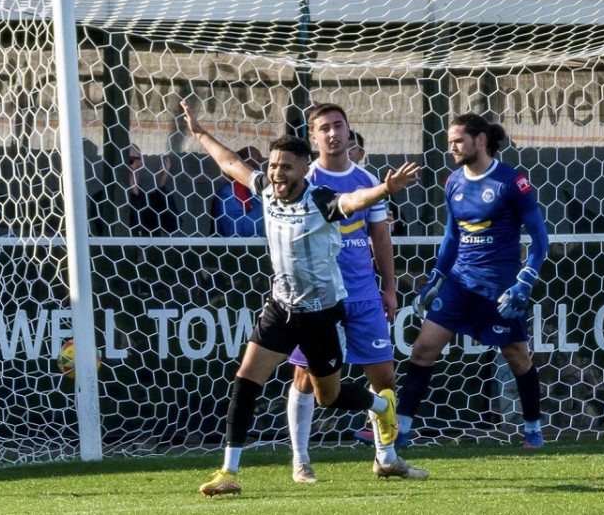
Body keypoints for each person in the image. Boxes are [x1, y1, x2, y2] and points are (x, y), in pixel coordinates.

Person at [181, 100, 421, 497]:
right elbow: (229, 163)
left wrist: (385, 189)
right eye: (273, 166)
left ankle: (382, 408)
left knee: (329, 396)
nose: (276, 173)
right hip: (280, 308)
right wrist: (200, 133)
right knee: (245, 381)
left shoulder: (321, 200)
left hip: (321, 313)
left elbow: (354, 201)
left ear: (302, 170)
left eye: (285, 167)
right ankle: (229, 471)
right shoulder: (266, 190)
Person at [286, 104, 427, 483]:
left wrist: (390, 287)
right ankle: (300, 460)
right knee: (306, 378)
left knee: (384, 377)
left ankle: (385, 457)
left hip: (364, 294)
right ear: (313, 137)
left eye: (338, 126)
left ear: (349, 132)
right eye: (324, 128)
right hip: (319, 296)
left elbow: (380, 236)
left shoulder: (367, 179)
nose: (332, 134)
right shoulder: (305, 181)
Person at [397, 113, 549, 449]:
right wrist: (437, 276)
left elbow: (540, 239)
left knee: (517, 357)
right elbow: (452, 237)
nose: (451, 147)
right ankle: (401, 431)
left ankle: (533, 431)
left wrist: (525, 280)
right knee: (422, 349)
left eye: (458, 140)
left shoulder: (512, 181)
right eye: (450, 141)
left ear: (479, 140)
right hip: (458, 283)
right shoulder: (453, 181)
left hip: (498, 288)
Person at [89, 144, 180, 237]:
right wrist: (133, 196)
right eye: (120, 161)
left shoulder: (152, 200)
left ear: (140, 164)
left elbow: (172, 227)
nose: (125, 166)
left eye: (130, 160)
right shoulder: (101, 199)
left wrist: (161, 187)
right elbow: (111, 230)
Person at [210, 146, 265, 237]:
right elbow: (235, 231)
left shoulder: (257, 191)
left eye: (259, 161)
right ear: (239, 167)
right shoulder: (227, 193)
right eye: (252, 163)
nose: (257, 167)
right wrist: (267, 207)